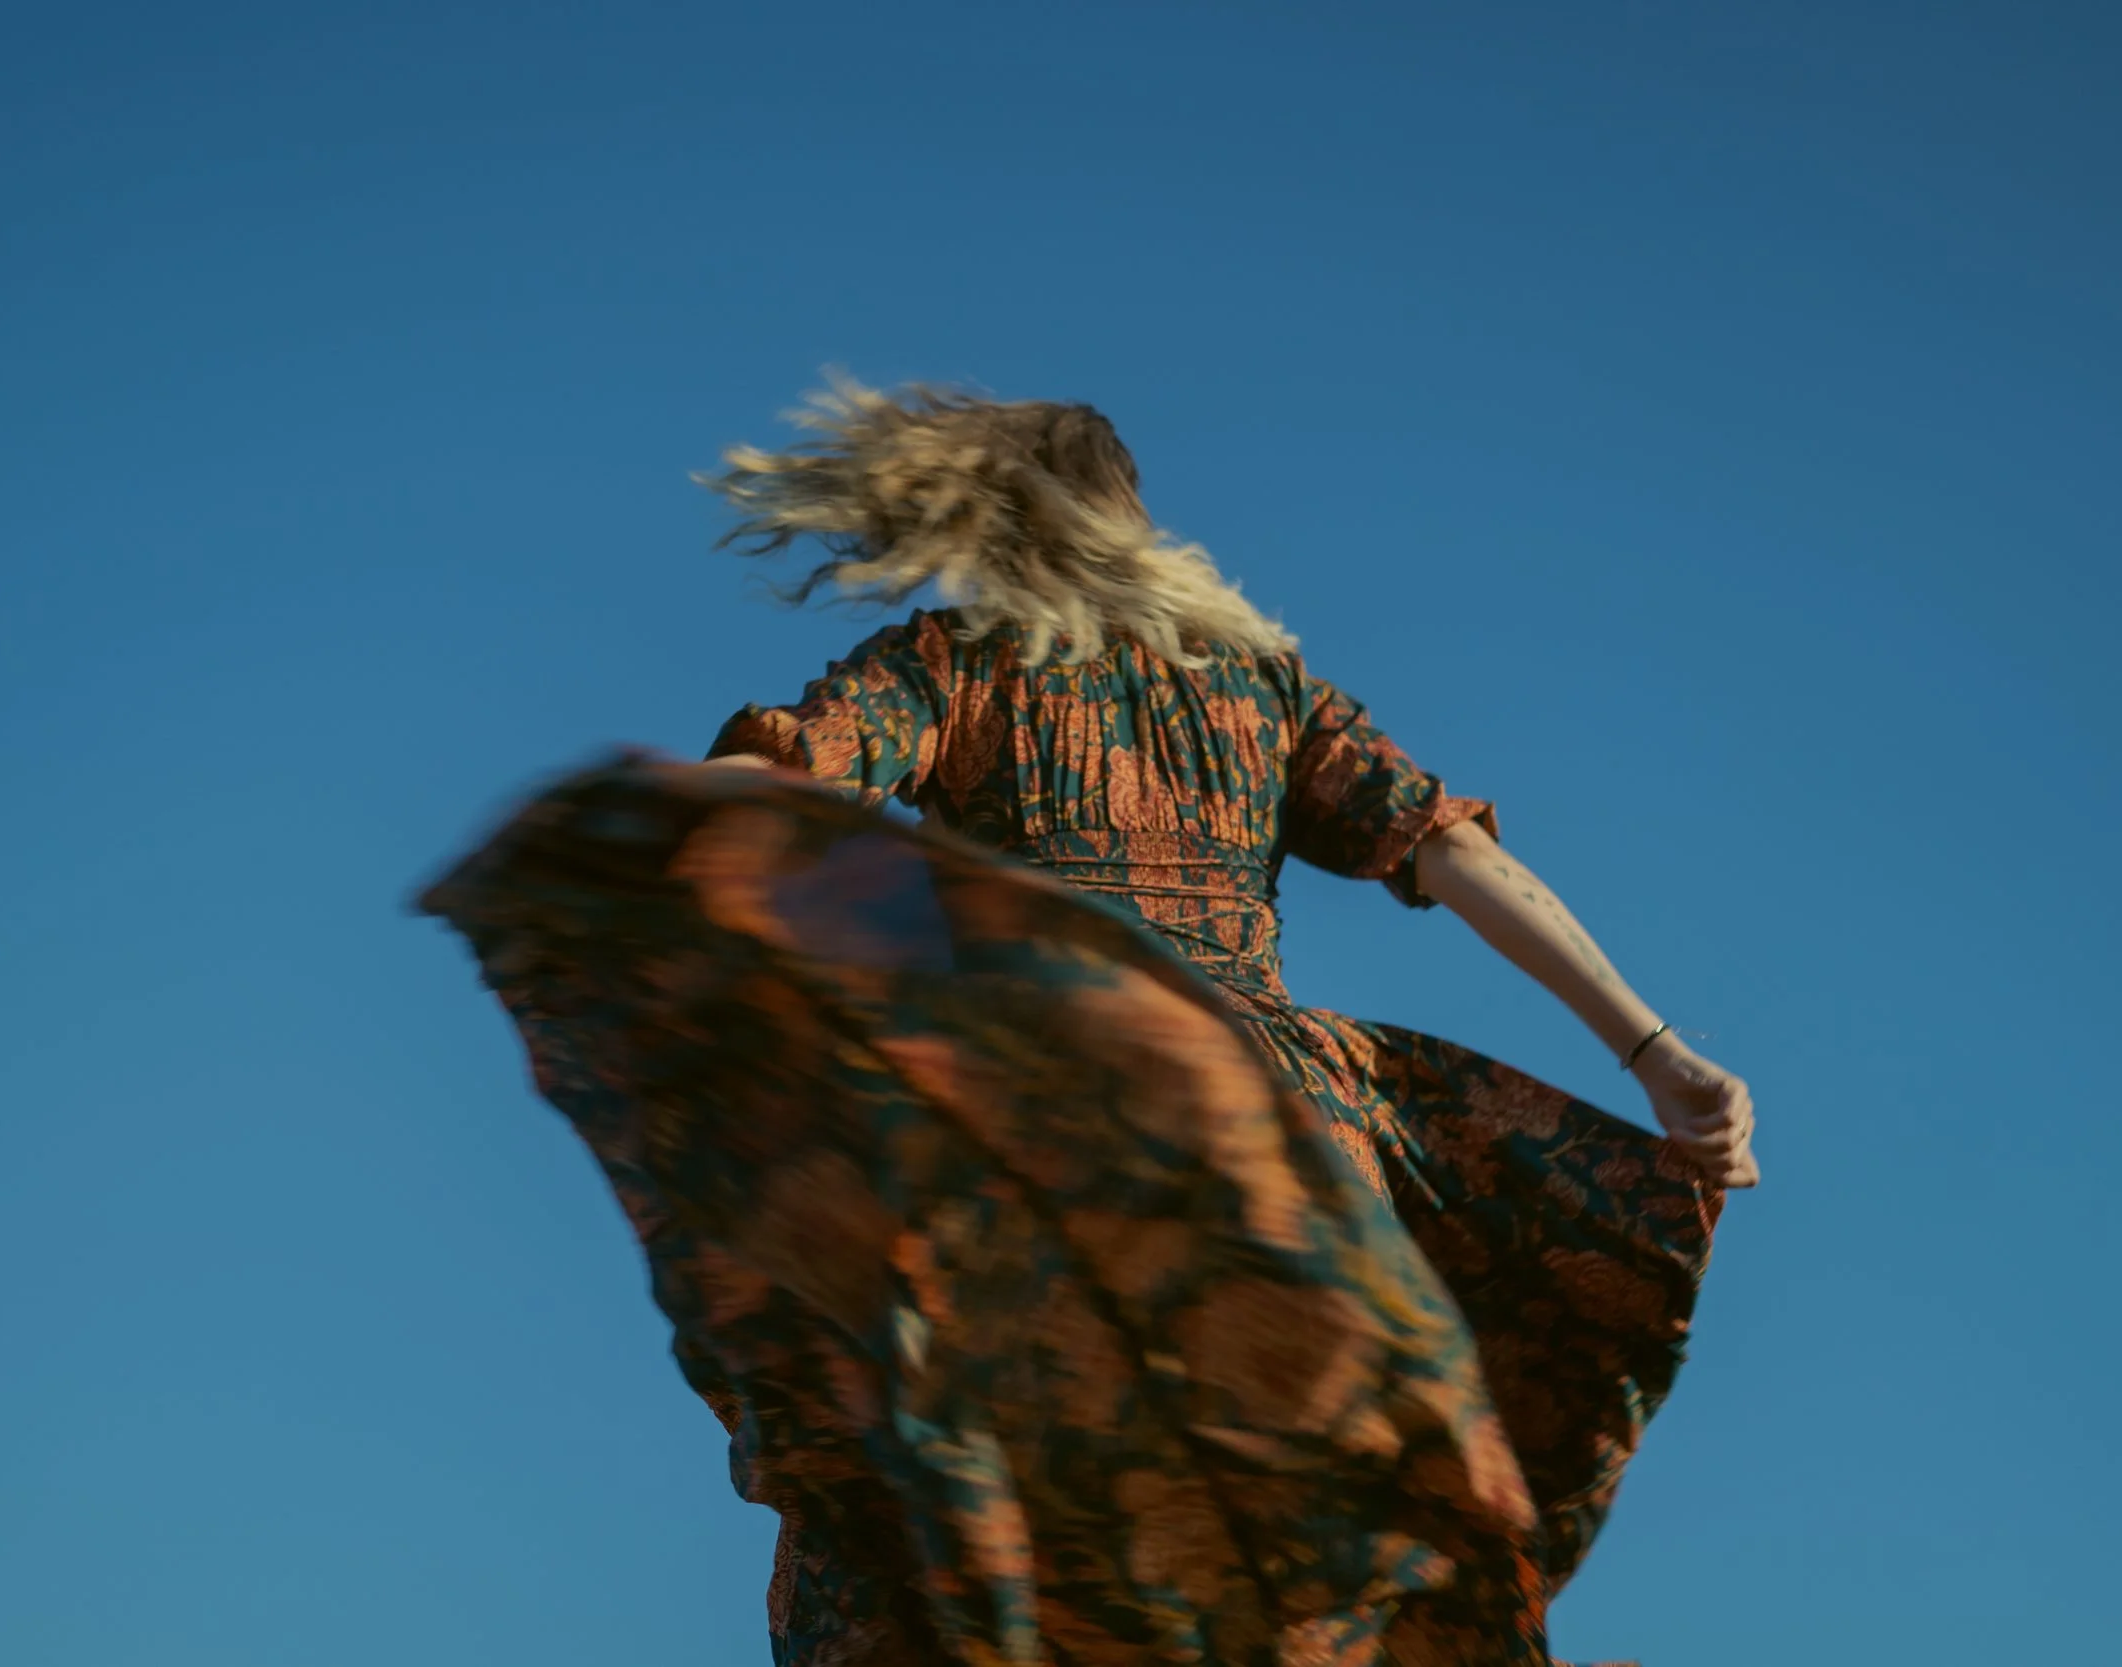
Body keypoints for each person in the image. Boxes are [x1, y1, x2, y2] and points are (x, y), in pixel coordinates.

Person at [421, 378, 1757, 1667]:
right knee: (1337, 1509)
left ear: (987, 529)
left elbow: (784, 778)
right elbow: (1453, 853)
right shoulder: (1262, 683)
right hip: (1277, 1121)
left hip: (1042, 1102)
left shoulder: (951, 664)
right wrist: (1656, 1050)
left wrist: (657, 829)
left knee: (898, 1473)